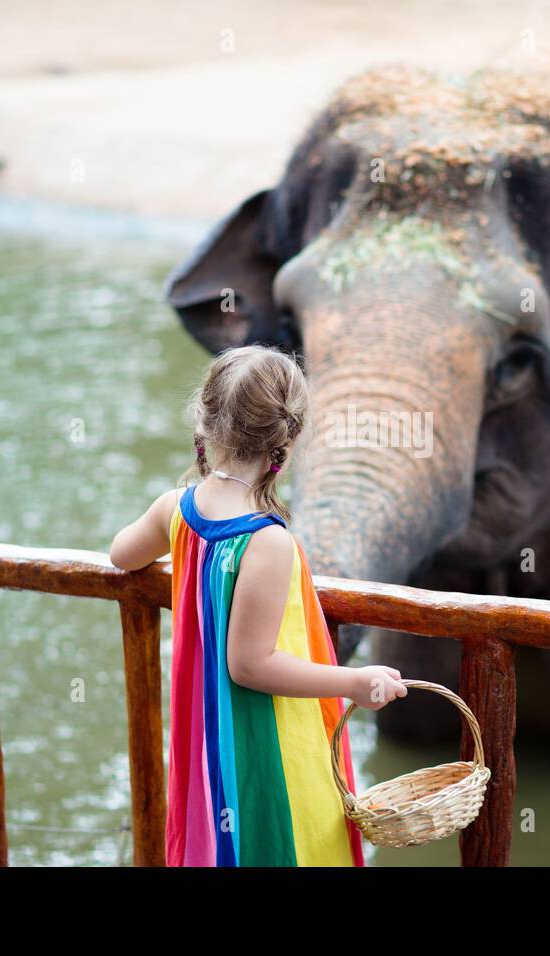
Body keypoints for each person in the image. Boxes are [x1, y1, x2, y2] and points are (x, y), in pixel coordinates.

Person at [109, 344, 407, 866]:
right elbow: (249, 665)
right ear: (284, 446)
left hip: (207, 736)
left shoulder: (176, 511)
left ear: (203, 423)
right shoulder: (266, 542)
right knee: (280, 841)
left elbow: (121, 555)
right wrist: (356, 683)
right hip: (266, 742)